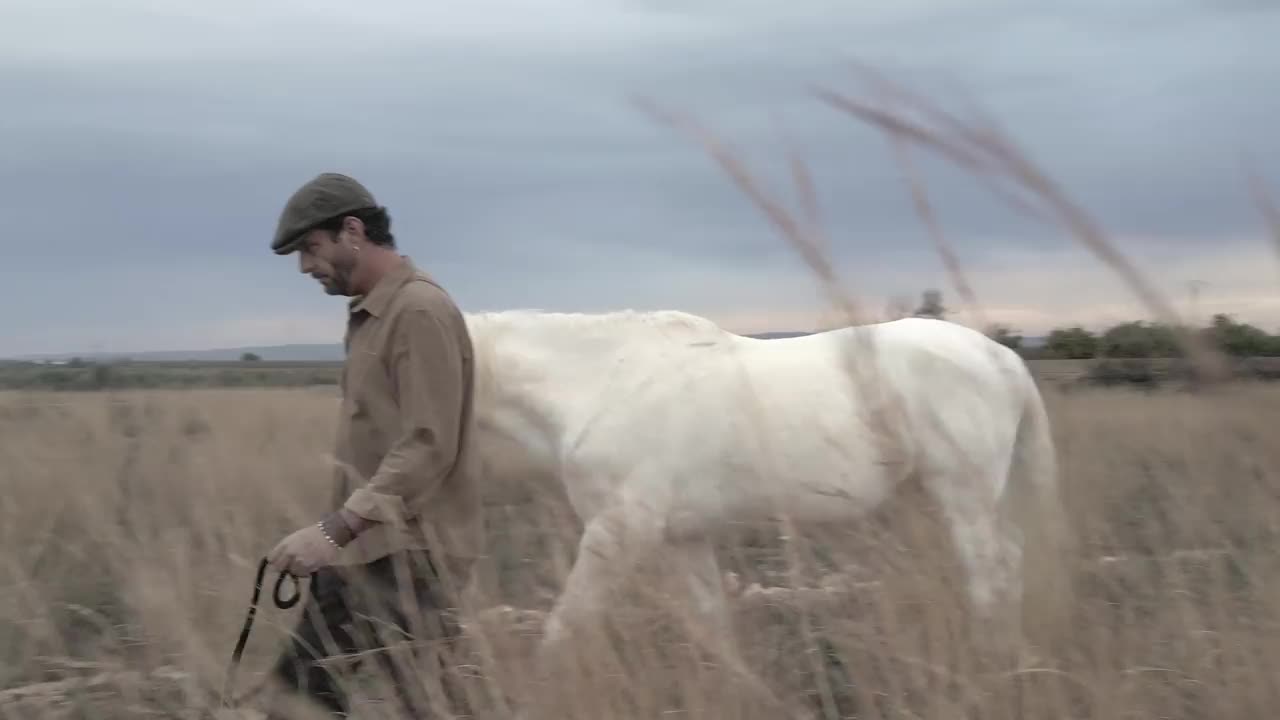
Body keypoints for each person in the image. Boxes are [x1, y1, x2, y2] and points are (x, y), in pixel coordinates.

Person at [261, 172, 482, 718]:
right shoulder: (371, 314)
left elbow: (429, 446)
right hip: (367, 548)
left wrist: (332, 531)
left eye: (311, 248)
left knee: (419, 701)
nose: (306, 267)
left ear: (353, 231)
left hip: (410, 554)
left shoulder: (418, 312)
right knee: (303, 695)